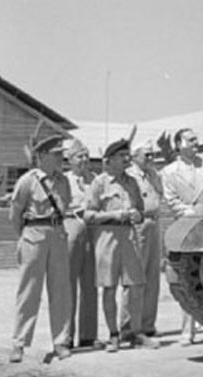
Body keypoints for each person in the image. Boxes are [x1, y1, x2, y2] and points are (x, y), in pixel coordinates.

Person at [83, 138, 159, 352]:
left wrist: (137, 215)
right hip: (107, 238)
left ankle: (136, 333)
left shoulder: (132, 182)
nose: (127, 158)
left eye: (127, 155)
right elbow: (87, 215)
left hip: (130, 237)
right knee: (109, 288)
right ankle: (114, 335)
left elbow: (140, 210)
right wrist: (114, 215)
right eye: (121, 156)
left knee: (136, 285)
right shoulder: (100, 183)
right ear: (110, 160)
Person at [9, 134, 73, 363]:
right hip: (33, 236)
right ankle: (19, 343)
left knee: (61, 292)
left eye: (61, 154)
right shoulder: (27, 181)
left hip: (58, 235)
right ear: (43, 156)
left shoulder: (63, 181)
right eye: (56, 154)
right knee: (29, 292)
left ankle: (61, 341)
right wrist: (26, 238)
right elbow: (14, 215)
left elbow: (65, 207)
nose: (60, 158)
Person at [161, 127, 203, 346]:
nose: (196, 143)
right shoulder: (169, 172)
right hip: (186, 228)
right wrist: (190, 213)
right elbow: (171, 200)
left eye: (197, 139)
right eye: (190, 140)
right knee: (186, 279)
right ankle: (187, 331)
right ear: (179, 144)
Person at [120, 140, 162, 340]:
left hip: (154, 224)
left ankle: (147, 325)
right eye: (147, 155)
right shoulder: (130, 176)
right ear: (135, 156)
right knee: (135, 276)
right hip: (139, 225)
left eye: (153, 154)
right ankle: (129, 327)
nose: (151, 159)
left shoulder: (154, 174)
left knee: (152, 277)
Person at [63, 137, 99, 349]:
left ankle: (88, 335)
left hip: (93, 232)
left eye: (86, 155)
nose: (84, 160)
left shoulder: (95, 179)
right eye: (79, 156)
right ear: (69, 160)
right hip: (70, 230)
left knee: (90, 285)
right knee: (68, 286)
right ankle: (66, 336)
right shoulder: (64, 180)